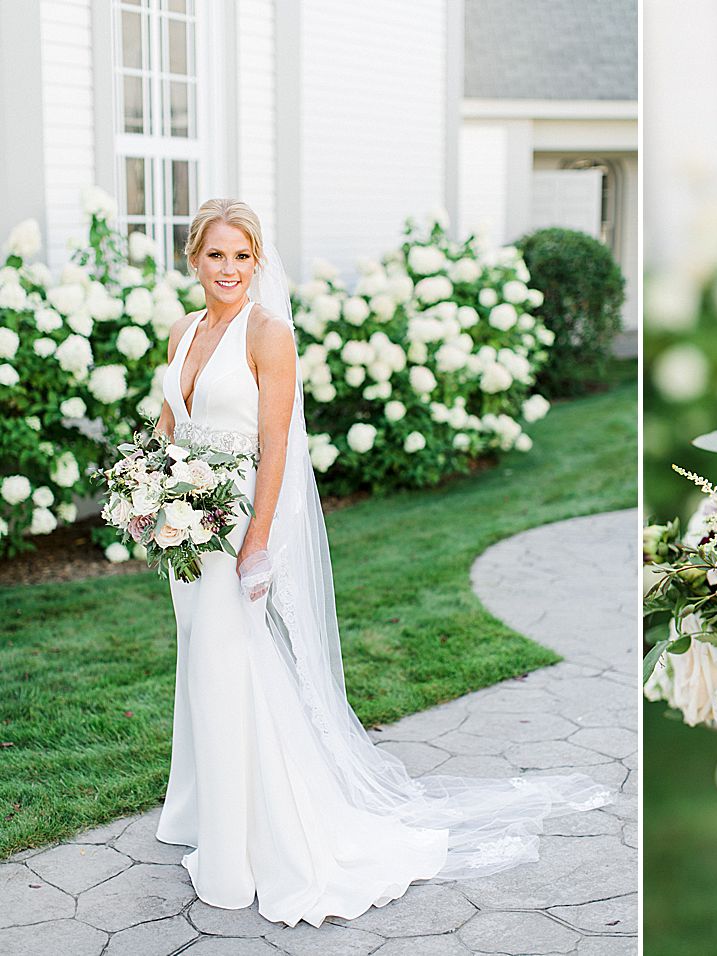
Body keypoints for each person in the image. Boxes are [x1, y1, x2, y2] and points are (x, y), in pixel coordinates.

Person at [151, 198, 611, 927]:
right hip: (182, 526)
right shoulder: (182, 332)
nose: (229, 269)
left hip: (234, 519)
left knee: (232, 665)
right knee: (204, 667)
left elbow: (278, 447)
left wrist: (258, 542)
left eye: (242, 255)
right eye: (216, 255)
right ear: (193, 259)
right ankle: (211, 813)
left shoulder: (269, 335)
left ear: (257, 260)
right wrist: (149, 495)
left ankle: (250, 849)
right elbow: (169, 424)